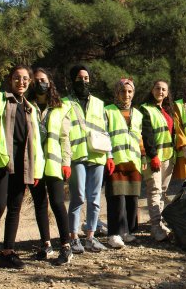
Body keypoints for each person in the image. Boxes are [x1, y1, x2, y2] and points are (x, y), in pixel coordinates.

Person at [0, 65, 45, 275]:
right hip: (1, 163)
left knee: (15, 207)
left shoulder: (30, 107)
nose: (21, 82)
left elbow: (35, 142)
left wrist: (36, 170)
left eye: (25, 79)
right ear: (10, 80)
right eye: (16, 78)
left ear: (29, 82)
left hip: (23, 165)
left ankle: (7, 254)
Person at [26, 68, 73, 265]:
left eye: (43, 80)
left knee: (57, 203)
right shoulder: (26, 106)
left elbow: (65, 138)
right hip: (34, 164)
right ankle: (46, 244)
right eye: (36, 81)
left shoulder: (61, 107)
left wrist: (66, 162)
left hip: (54, 164)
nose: (40, 83)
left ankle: (66, 245)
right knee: (39, 204)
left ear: (50, 82)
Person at [63, 64, 108, 254]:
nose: (83, 81)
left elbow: (105, 130)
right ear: (73, 80)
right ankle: (73, 237)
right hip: (77, 155)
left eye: (87, 78)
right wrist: (65, 159)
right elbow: (63, 132)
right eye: (80, 78)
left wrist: (110, 155)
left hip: (97, 155)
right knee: (79, 196)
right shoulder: (65, 103)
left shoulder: (99, 103)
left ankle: (90, 236)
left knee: (95, 198)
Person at [104, 78, 145, 249]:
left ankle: (128, 231)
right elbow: (104, 134)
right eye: (123, 91)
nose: (126, 95)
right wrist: (108, 156)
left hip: (133, 161)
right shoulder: (107, 111)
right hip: (116, 159)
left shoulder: (138, 114)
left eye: (129, 92)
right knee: (116, 197)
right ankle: (114, 233)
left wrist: (143, 158)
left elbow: (140, 138)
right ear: (117, 92)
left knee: (132, 198)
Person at [140, 80, 175, 242]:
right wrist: (152, 155)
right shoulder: (145, 109)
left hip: (168, 157)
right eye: (157, 88)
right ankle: (155, 227)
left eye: (163, 89)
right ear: (152, 90)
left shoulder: (167, 110)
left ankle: (159, 224)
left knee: (162, 191)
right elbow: (146, 135)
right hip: (154, 158)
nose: (160, 91)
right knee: (154, 191)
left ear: (167, 93)